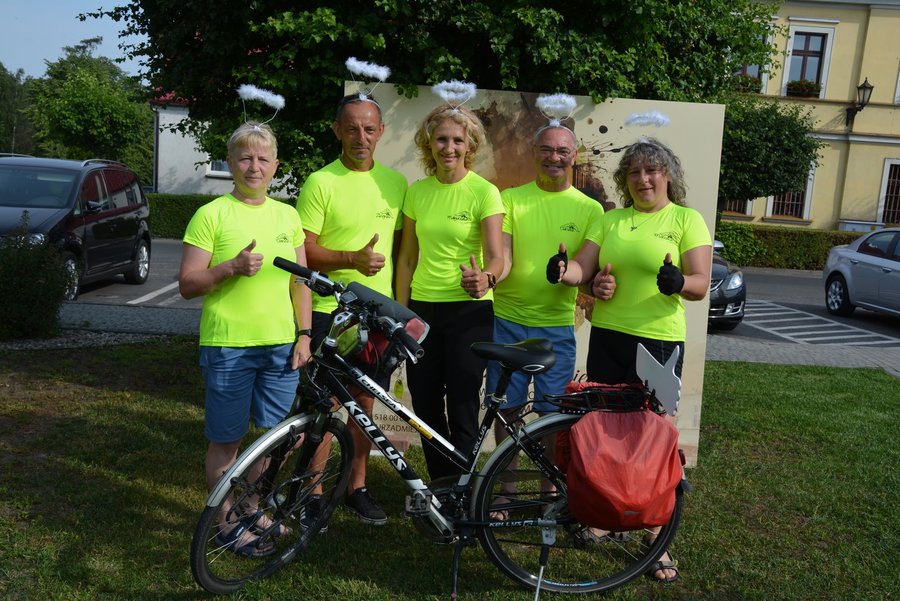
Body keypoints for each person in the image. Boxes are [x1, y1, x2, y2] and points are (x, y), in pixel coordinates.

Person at [550, 136, 712, 583]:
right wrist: (568, 274)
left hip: (658, 343)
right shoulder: (612, 219)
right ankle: (604, 515)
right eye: (635, 172)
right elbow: (585, 269)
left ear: (668, 175)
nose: (643, 179)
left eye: (652, 171)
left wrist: (677, 281)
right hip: (608, 337)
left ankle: (657, 539)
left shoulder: (685, 220)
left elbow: (700, 284)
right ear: (625, 180)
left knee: (654, 438)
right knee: (605, 432)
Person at [179, 121, 312, 557]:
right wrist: (229, 269)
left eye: (262, 158)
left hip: (280, 345)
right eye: (245, 157)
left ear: (275, 166)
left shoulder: (288, 215)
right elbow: (187, 284)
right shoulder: (211, 214)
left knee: (274, 438)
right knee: (228, 440)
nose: (254, 166)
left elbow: (300, 283)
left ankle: (252, 510)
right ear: (231, 162)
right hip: (228, 346)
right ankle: (225, 521)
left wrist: (304, 334)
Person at [296, 93, 407, 526]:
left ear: (381, 132)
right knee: (322, 405)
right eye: (352, 128)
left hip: (376, 316)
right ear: (336, 130)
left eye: (369, 128)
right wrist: (351, 260)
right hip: (329, 310)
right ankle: (311, 490)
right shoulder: (320, 182)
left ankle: (356, 486)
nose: (361, 137)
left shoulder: (395, 184)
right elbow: (303, 249)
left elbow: (402, 250)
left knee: (365, 404)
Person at [395, 98, 504, 482]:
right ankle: (443, 485)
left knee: (461, 404)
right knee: (423, 404)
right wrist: (400, 314)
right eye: (441, 140)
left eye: (457, 140)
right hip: (422, 312)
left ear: (470, 145)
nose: (449, 148)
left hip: (469, 312)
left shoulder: (484, 192)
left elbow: (496, 257)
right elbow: (406, 259)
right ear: (429, 144)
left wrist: (486, 278)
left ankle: (464, 487)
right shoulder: (417, 192)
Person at [488, 117, 611, 435]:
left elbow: (583, 269)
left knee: (552, 416)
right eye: (546, 149)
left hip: (556, 327)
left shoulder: (590, 209)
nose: (553, 157)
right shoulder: (512, 198)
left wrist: (563, 270)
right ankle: (506, 487)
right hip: (507, 321)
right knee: (506, 411)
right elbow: (504, 258)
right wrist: (488, 277)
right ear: (534, 152)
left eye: (561, 151)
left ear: (574, 155)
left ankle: (549, 487)